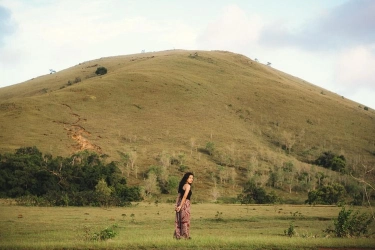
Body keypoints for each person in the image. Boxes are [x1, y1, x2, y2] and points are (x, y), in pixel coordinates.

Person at [174, 172, 194, 239]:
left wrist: (177, 205)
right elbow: (185, 196)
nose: (191, 179)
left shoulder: (181, 185)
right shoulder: (188, 186)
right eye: (190, 178)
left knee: (179, 220)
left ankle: (178, 235)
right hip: (185, 204)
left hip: (180, 203)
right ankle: (185, 236)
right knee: (185, 220)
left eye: (192, 178)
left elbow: (178, 196)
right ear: (186, 178)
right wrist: (180, 206)